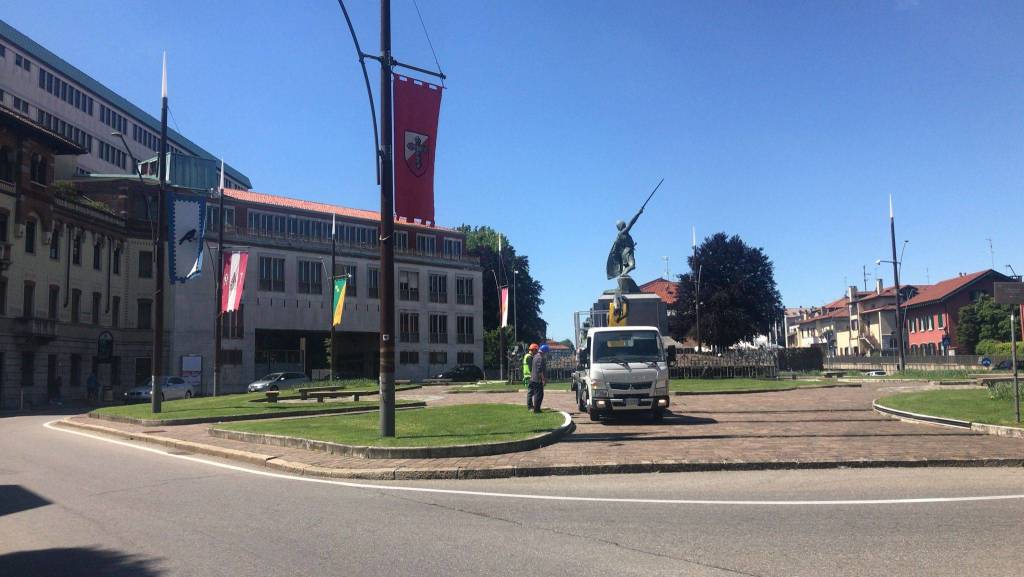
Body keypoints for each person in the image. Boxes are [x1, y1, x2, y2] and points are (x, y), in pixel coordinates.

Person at [528, 344, 549, 413]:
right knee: (538, 395)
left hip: (533, 378)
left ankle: (536, 408)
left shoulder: (535, 356)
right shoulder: (540, 358)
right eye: (546, 352)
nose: (547, 354)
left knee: (539, 394)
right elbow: (539, 370)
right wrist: (543, 379)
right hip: (537, 380)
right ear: (544, 351)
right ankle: (536, 409)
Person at [523, 343, 538, 409]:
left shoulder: (528, 356)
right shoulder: (529, 357)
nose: (537, 352)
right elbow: (531, 368)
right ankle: (530, 406)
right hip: (529, 376)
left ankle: (531, 405)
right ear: (533, 350)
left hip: (529, 376)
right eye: (536, 350)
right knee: (530, 392)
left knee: (531, 392)